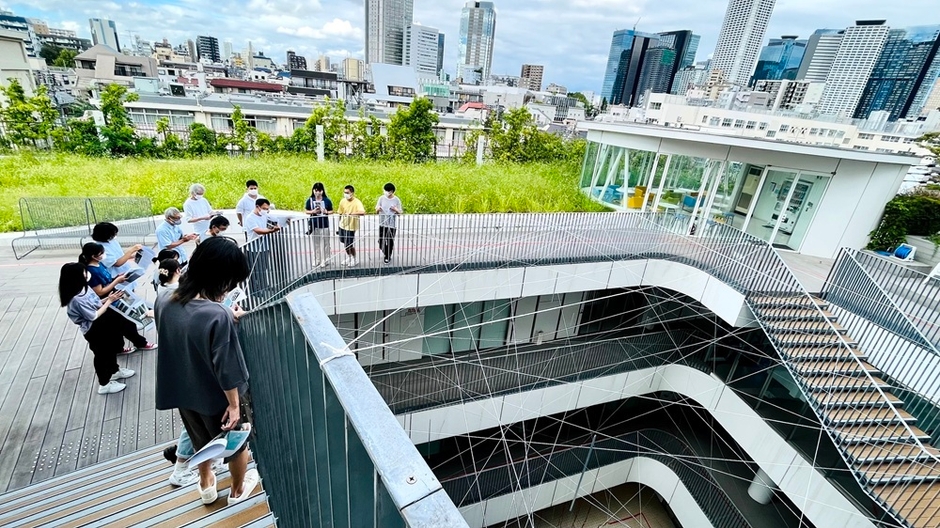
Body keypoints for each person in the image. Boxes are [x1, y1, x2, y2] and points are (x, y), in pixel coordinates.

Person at [154, 237, 259, 506]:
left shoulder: (164, 299)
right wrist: (234, 405)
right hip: (216, 397)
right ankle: (236, 492)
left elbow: (185, 328)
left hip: (181, 389)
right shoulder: (216, 315)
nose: (231, 287)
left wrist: (223, 313)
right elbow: (227, 367)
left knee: (201, 439)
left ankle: (206, 485)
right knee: (236, 443)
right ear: (221, 278)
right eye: (231, 281)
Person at [59, 262, 136, 395]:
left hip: (103, 323)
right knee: (102, 355)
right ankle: (104, 384)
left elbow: (96, 303)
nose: (87, 274)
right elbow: (93, 315)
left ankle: (115, 371)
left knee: (111, 349)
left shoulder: (84, 288)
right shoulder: (76, 299)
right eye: (83, 273)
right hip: (93, 329)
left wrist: (110, 298)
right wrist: (109, 301)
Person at [79, 243, 157, 353]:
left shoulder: (99, 264)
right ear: (93, 256)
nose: (104, 255)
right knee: (125, 323)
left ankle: (120, 347)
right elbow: (100, 291)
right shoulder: (91, 271)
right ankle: (140, 343)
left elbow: (107, 280)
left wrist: (118, 278)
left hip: (116, 296)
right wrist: (117, 281)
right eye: (101, 253)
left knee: (120, 325)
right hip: (110, 301)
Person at [243, 198, 281, 294]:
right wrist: (271, 231)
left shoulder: (264, 215)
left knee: (264, 268)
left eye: (267, 208)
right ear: (257, 207)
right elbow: (258, 230)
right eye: (264, 208)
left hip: (264, 246)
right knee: (255, 270)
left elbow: (275, 219)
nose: (265, 210)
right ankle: (254, 290)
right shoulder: (250, 218)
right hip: (254, 248)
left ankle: (264, 285)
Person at [304, 182, 333, 267]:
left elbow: (332, 211)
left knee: (325, 243)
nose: (317, 192)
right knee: (316, 243)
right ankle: (317, 259)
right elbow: (306, 211)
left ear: (322, 191)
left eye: (319, 191)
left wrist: (326, 211)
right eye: (315, 190)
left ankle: (326, 259)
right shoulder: (310, 200)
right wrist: (312, 212)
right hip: (314, 224)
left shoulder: (326, 200)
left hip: (324, 224)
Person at [336, 185, 365, 267]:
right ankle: (349, 257)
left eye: (347, 193)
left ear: (352, 193)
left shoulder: (357, 202)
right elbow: (340, 213)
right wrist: (339, 224)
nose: (345, 194)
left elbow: (362, 212)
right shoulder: (342, 201)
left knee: (349, 244)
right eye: (344, 192)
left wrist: (352, 214)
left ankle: (354, 258)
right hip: (342, 225)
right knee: (344, 243)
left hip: (351, 227)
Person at [375, 182, 403, 264]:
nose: (385, 192)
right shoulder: (381, 198)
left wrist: (396, 209)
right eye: (385, 190)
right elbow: (376, 209)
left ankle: (388, 256)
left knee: (390, 241)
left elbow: (400, 213)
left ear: (391, 191)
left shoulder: (396, 200)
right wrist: (378, 209)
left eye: (387, 191)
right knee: (381, 241)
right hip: (382, 223)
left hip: (391, 225)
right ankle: (386, 252)